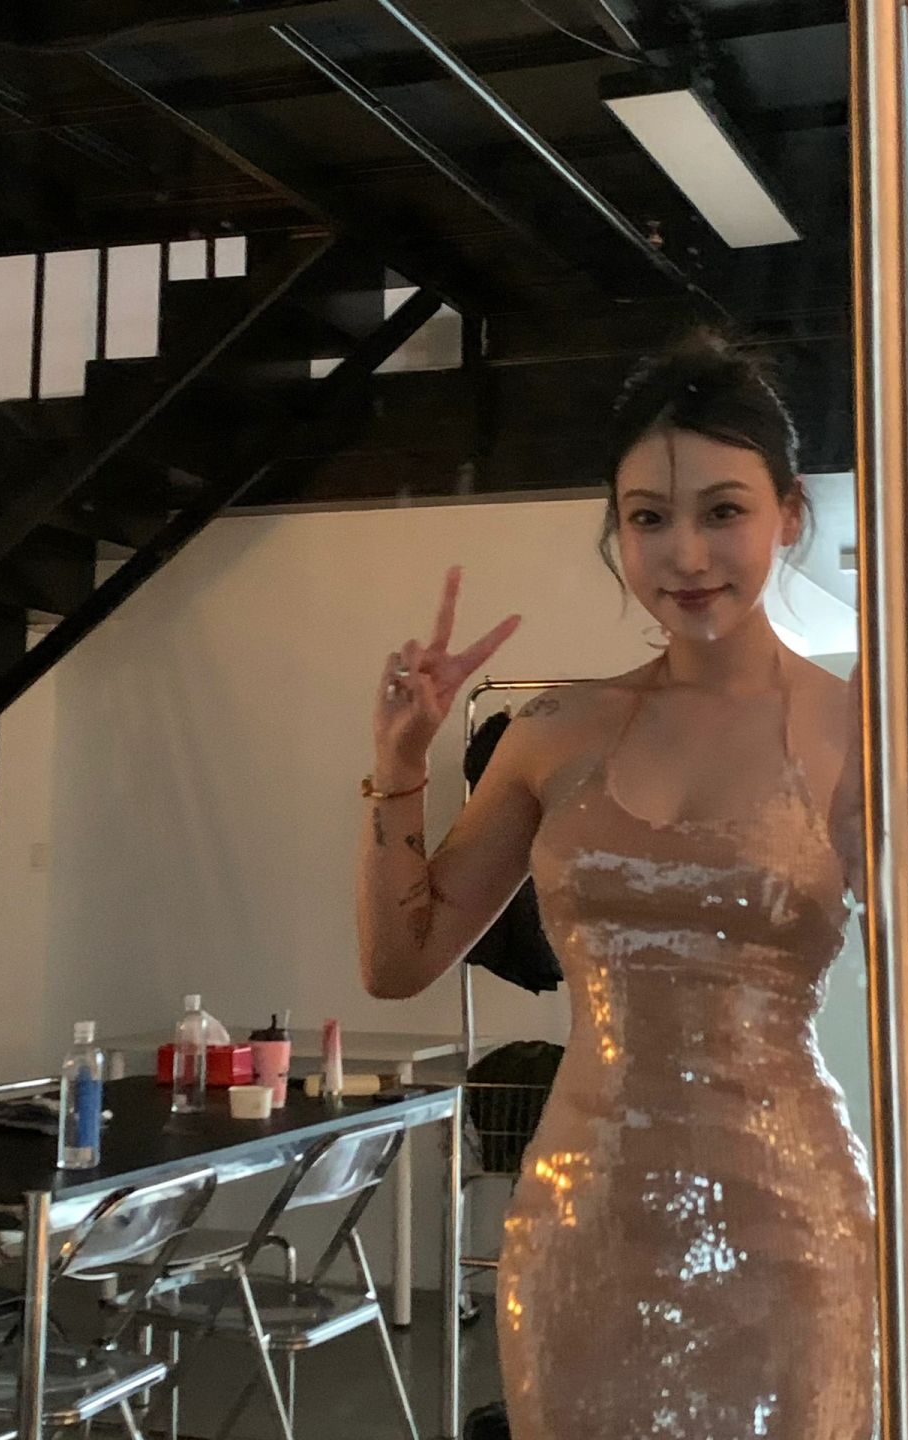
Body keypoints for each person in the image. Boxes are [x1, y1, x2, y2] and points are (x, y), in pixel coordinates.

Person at [356, 331, 877, 1440]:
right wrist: (399, 766)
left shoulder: (860, 729)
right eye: (648, 518)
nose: (685, 553)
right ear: (617, 530)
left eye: (723, 511)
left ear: (789, 515)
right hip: (581, 1225)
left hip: (791, 1228)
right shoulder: (555, 732)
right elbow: (399, 965)